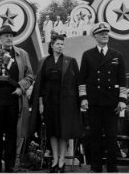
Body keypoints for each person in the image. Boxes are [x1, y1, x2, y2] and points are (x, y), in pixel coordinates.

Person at [0, 25, 34, 173]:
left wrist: (21, 88)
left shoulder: (22, 54)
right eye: (6, 36)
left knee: (12, 134)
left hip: (14, 99)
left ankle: (10, 165)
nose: (9, 38)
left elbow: (30, 76)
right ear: (0, 39)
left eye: (11, 35)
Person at [78, 22, 127, 173]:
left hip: (111, 103)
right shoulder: (87, 55)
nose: (105, 35)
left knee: (112, 136)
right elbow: (82, 79)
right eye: (101, 34)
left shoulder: (117, 55)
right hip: (94, 102)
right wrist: (83, 98)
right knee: (95, 136)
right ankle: (96, 167)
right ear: (95, 36)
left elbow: (122, 80)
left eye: (107, 33)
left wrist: (122, 100)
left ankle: (112, 168)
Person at [30, 33, 82, 173]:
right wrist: (40, 103)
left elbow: (78, 82)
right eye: (58, 44)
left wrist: (79, 101)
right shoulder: (44, 61)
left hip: (65, 103)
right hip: (49, 102)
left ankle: (61, 161)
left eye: (62, 44)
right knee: (52, 131)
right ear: (51, 45)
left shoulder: (70, 61)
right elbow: (40, 85)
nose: (60, 46)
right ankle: (54, 160)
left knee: (63, 131)